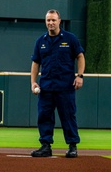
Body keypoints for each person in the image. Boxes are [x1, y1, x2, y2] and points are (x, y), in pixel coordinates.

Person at [29, 9, 85, 158]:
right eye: (48, 20)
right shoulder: (40, 41)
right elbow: (36, 62)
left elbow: (80, 56)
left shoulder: (70, 38)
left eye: (53, 20)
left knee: (68, 116)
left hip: (65, 87)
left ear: (59, 21)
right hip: (46, 86)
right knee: (44, 116)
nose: (51, 23)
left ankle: (72, 146)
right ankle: (45, 146)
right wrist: (33, 82)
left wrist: (80, 76)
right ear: (45, 22)